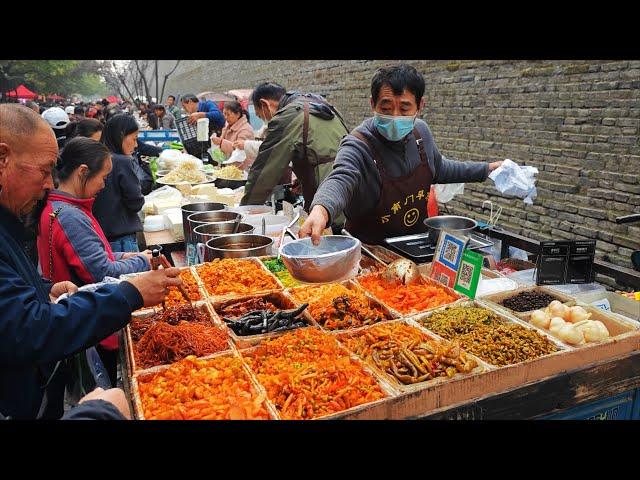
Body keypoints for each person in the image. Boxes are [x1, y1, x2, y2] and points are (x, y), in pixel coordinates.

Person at [0, 104, 183, 419]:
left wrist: (41, 289)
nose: (48, 184)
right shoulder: (67, 215)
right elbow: (27, 330)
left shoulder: (17, 222)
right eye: (44, 171)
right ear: (3, 159)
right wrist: (132, 291)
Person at [300, 64, 504, 245]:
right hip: (371, 255)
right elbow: (340, 178)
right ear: (373, 104)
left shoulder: (421, 133)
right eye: (386, 108)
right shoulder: (357, 145)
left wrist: (486, 170)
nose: (395, 117)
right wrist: (321, 209)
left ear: (420, 106)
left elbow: (440, 169)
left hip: (416, 247)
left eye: (405, 108)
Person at [37, 137, 152, 386]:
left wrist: (123, 256)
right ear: (82, 172)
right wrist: (143, 262)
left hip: (79, 317)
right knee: (102, 387)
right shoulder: (69, 216)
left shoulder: (60, 208)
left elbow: (92, 256)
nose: (104, 184)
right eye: (103, 176)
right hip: (90, 326)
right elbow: (101, 272)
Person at [240, 82, 349, 213]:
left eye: (259, 115)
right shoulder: (321, 104)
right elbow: (323, 151)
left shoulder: (288, 116)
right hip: (348, 194)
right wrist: (304, 179)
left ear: (265, 105)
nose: (263, 119)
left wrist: (244, 212)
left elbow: (263, 173)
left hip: (326, 205)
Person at [93, 114, 145, 252]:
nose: (136, 144)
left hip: (102, 237)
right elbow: (135, 203)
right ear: (121, 135)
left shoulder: (97, 157)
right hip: (122, 240)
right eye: (134, 139)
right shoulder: (122, 161)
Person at [211, 101, 255, 169]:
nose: (225, 117)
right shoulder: (227, 127)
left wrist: (221, 142)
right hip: (228, 167)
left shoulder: (246, 130)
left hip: (241, 169)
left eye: (228, 114)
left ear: (237, 114)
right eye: (224, 114)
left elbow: (240, 151)